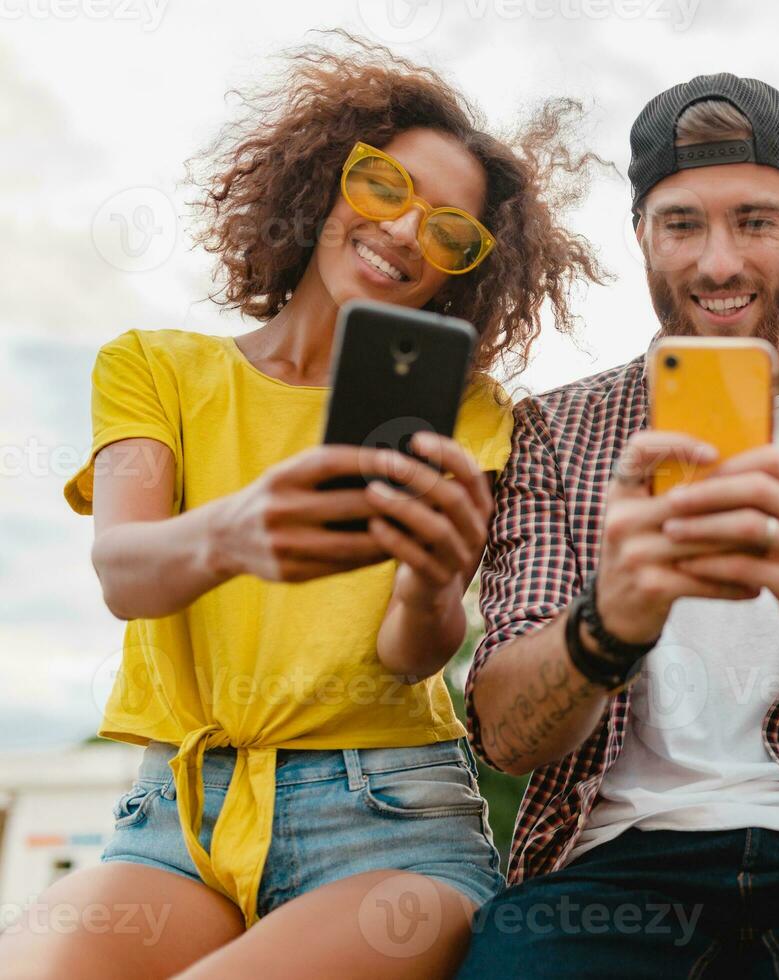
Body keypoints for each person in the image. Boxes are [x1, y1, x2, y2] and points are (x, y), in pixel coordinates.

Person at [1, 34, 601, 979]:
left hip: (389, 823)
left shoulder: (468, 412)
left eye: (450, 232)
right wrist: (237, 532)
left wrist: (431, 587)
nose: (405, 233)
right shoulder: (155, 367)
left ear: (465, 273)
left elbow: (415, 653)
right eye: (384, 188)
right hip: (177, 819)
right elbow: (126, 573)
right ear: (323, 182)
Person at [458, 74, 779, 977]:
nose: (717, 264)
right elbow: (511, 739)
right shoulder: (552, 432)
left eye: (755, 220)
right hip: (613, 864)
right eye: (681, 224)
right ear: (640, 236)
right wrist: (611, 619)